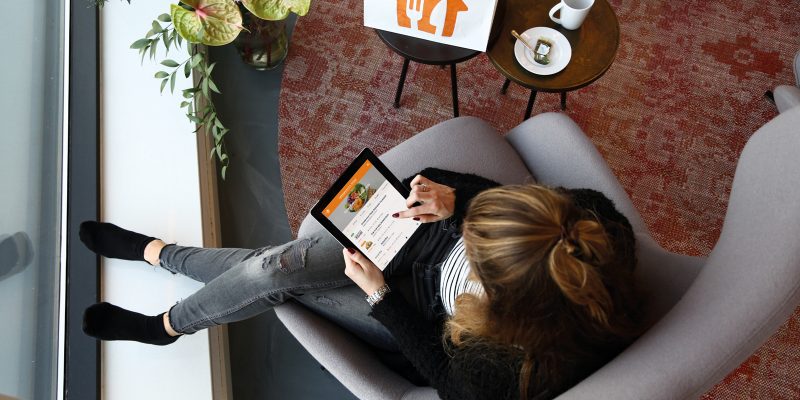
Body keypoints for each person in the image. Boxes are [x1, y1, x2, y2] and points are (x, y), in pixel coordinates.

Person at [80, 168, 645, 399]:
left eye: (474, 248)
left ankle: (165, 319)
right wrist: (454, 201)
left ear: (502, 299)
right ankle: (163, 257)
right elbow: (488, 197)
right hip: (414, 239)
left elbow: (448, 381)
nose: (467, 235)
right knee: (271, 267)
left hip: (414, 312)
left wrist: (380, 295)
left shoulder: (511, 361)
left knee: (272, 274)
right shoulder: (585, 220)